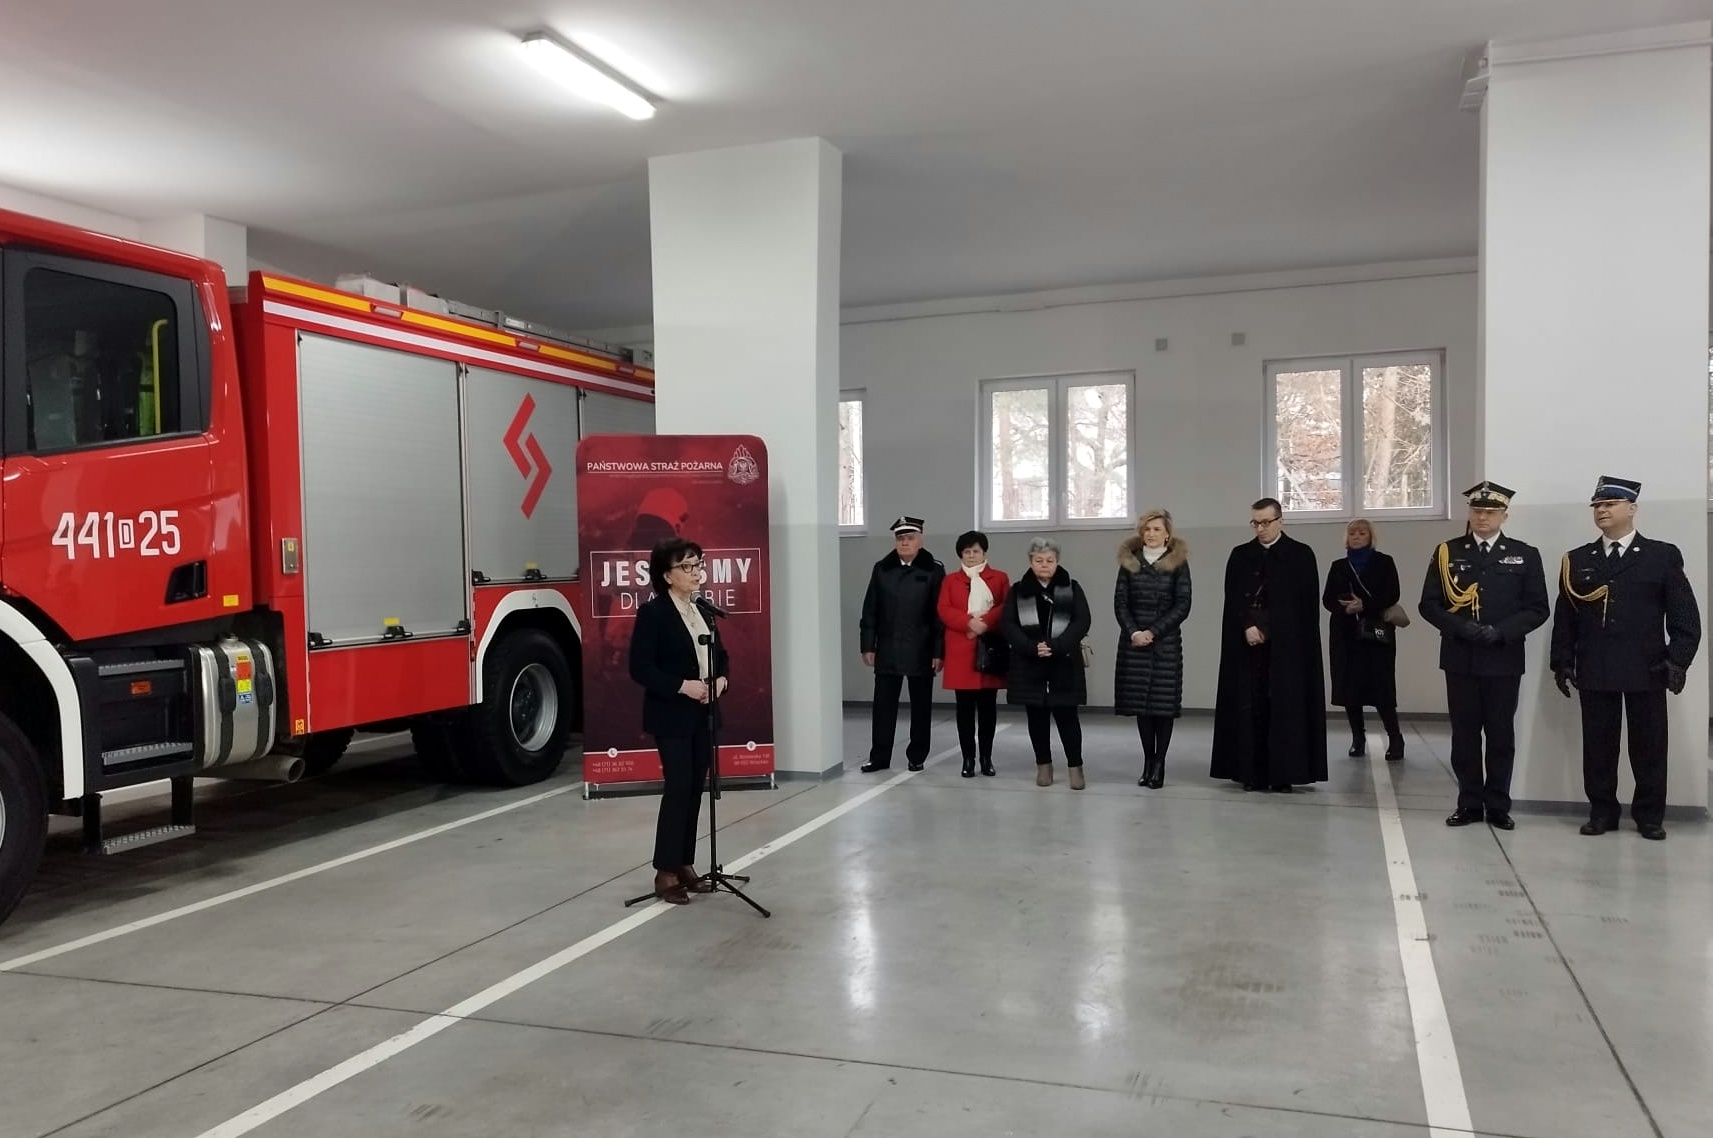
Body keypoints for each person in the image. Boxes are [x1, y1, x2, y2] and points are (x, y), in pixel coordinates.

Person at [1550, 475, 1701, 841]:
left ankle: (1649, 815)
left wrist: (1678, 660)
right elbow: (1566, 617)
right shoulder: (1577, 559)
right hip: (1596, 666)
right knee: (1598, 745)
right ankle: (1602, 812)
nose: (1601, 510)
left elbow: (1684, 615)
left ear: (1632, 508)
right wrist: (1562, 660)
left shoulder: (1661, 556)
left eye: (1610, 504)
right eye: (1597, 505)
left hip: (1646, 667)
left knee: (1649, 746)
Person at [1417, 481, 1549, 831]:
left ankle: (1499, 805)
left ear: (1505, 515)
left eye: (1491, 512)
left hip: (1503, 659)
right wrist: (1462, 628)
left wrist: (1501, 632)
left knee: (1500, 735)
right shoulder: (1447, 552)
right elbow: (1429, 604)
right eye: (1477, 510)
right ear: (1469, 513)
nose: (1483, 517)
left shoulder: (1524, 554)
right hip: (1461, 658)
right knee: (1464, 735)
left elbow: (1538, 608)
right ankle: (1469, 803)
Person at [627, 538, 729, 905]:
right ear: (667, 575)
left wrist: (721, 680)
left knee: (695, 788)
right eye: (687, 566)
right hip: (671, 713)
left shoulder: (702, 609)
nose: (696, 572)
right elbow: (640, 668)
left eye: (698, 564)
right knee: (678, 786)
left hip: (703, 712)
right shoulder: (653, 614)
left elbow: (721, 656)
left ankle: (685, 862)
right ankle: (665, 871)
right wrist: (682, 686)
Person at [1210, 499, 1327, 791]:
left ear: (1280, 521)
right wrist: (1247, 626)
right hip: (1247, 647)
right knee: (1251, 706)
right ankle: (1250, 772)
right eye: (1255, 523)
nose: (1260, 528)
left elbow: (1304, 607)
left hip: (1287, 649)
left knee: (1285, 708)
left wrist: (1268, 629)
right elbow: (1232, 599)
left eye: (1266, 522)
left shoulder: (1301, 555)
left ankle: (1283, 773)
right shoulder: (1241, 555)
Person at [1001, 538, 1092, 789]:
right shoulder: (1018, 590)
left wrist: (1058, 645)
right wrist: (1032, 647)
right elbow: (1008, 624)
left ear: (1057, 562)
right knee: (1037, 719)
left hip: (1064, 663)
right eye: (1039, 560)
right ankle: (1044, 766)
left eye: (1050, 560)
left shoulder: (1072, 587)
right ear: (1030, 562)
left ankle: (1075, 767)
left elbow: (1082, 621)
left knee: (1068, 719)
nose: (1044, 564)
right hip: (1030, 664)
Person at [859, 516, 945, 772]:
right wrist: (868, 645)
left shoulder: (933, 570)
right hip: (888, 648)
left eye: (910, 538)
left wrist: (939, 651)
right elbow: (870, 610)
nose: (905, 542)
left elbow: (939, 616)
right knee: (883, 707)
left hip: (922, 649)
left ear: (920, 541)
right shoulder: (882, 569)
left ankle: (917, 755)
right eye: (900, 538)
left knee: (921, 707)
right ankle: (879, 757)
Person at [1113, 508, 1192, 788]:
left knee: (1163, 707)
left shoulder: (1178, 563)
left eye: (1157, 529)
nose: (1151, 533)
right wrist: (1134, 632)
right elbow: (1120, 602)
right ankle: (1147, 761)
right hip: (1134, 644)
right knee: (1142, 708)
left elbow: (1183, 604)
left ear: (1167, 534)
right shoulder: (1129, 562)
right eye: (1147, 529)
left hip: (1165, 645)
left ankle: (1160, 763)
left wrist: (1154, 631)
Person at [1322, 518, 1406, 761]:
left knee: (1382, 688)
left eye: (1361, 533)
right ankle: (1358, 738)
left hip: (1376, 633)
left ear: (1370, 537)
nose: (1356, 536)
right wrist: (1345, 608)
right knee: (1350, 688)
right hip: (1346, 634)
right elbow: (1328, 599)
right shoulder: (1338, 566)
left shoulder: (1384, 562)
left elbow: (1392, 593)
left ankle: (1395, 738)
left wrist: (1365, 604)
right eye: (1352, 533)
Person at [936, 530, 1010, 778]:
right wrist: (968, 622)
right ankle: (968, 758)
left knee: (988, 709)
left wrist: (985, 622)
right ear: (961, 554)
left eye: (975, 551)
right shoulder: (950, 580)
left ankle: (986, 758)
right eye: (966, 552)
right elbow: (943, 609)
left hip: (989, 648)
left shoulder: (999, 578)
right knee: (964, 710)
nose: (971, 555)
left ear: (984, 552)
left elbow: (1006, 606)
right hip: (961, 650)